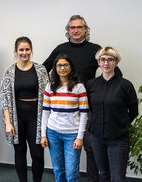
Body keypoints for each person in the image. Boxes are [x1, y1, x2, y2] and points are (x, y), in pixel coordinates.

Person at [43, 15, 122, 182]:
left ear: (86, 30)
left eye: (80, 27)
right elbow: (43, 69)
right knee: (67, 157)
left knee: (91, 146)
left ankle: (93, 179)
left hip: (89, 105)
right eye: (72, 27)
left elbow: (114, 71)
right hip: (65, 106)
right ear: (68, 30)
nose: (76, 30)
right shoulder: (60, 49)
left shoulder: (95, 49)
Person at [0, 37, 49, 182]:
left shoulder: (40, 69)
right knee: (20, 152)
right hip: (17, 117)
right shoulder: (9, 71)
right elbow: (4, 99)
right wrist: (8, 123)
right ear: (16, 51)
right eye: (21, 49)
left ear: (31, 50)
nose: (24, 52)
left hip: (36, 116)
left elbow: (47, 95)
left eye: (27, 49)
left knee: (38, 154)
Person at [86, 46, 138, 182]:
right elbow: (90, 108)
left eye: (110, 59)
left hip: (118, 139)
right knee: (103, 174)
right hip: (97, 137)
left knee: (118, 177)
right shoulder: (91, 85)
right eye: (102, 59)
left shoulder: (125, 85)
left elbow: (133, 111)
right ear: (98, 62)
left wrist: (120, 125)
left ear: (116, 62)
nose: (106, 63)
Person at [41, 54, 88, 182]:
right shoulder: (50, 86)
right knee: (58, 171)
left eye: (65, 65)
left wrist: (80, 137)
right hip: (53, 133)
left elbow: (84, 113)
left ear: (71, 67)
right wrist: (43, 135)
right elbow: (45, 112)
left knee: (72, 173)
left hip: (72, 135)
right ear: (55, 68)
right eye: (59, 65)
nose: (62, 68)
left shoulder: (79, 87)